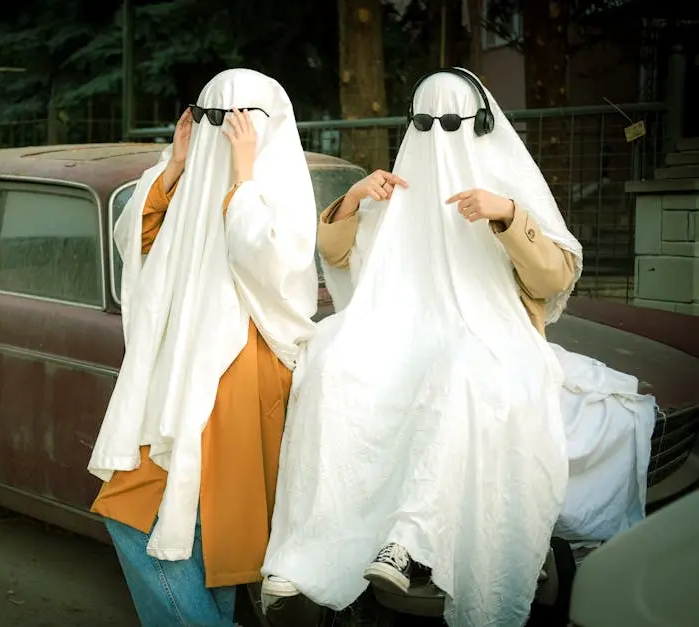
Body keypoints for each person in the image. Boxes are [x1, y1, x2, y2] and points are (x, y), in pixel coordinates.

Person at [260, 68, 587, 626]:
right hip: (397, 329)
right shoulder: (400, 191)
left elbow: (556, 277)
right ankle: (306, 549)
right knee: (333, 358)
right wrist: (355, 200)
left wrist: (506, 215)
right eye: (424, 122)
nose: (438, 137)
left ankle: (410, 542)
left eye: (452, 123)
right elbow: (337, 254)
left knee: (462, 370)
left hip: (490, 331)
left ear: (481, 126)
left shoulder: (509, 190)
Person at [87, 68, 319, 627]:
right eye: (215, 118)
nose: (226, 132)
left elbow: (267, 265)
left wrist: (243, 177)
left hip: (239, 376)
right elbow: (139, 241)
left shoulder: (281, 189)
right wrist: (176, 165)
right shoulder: (188, 189)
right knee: (165, 524)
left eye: (239, 122)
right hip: (173, 376)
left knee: (201, 534)